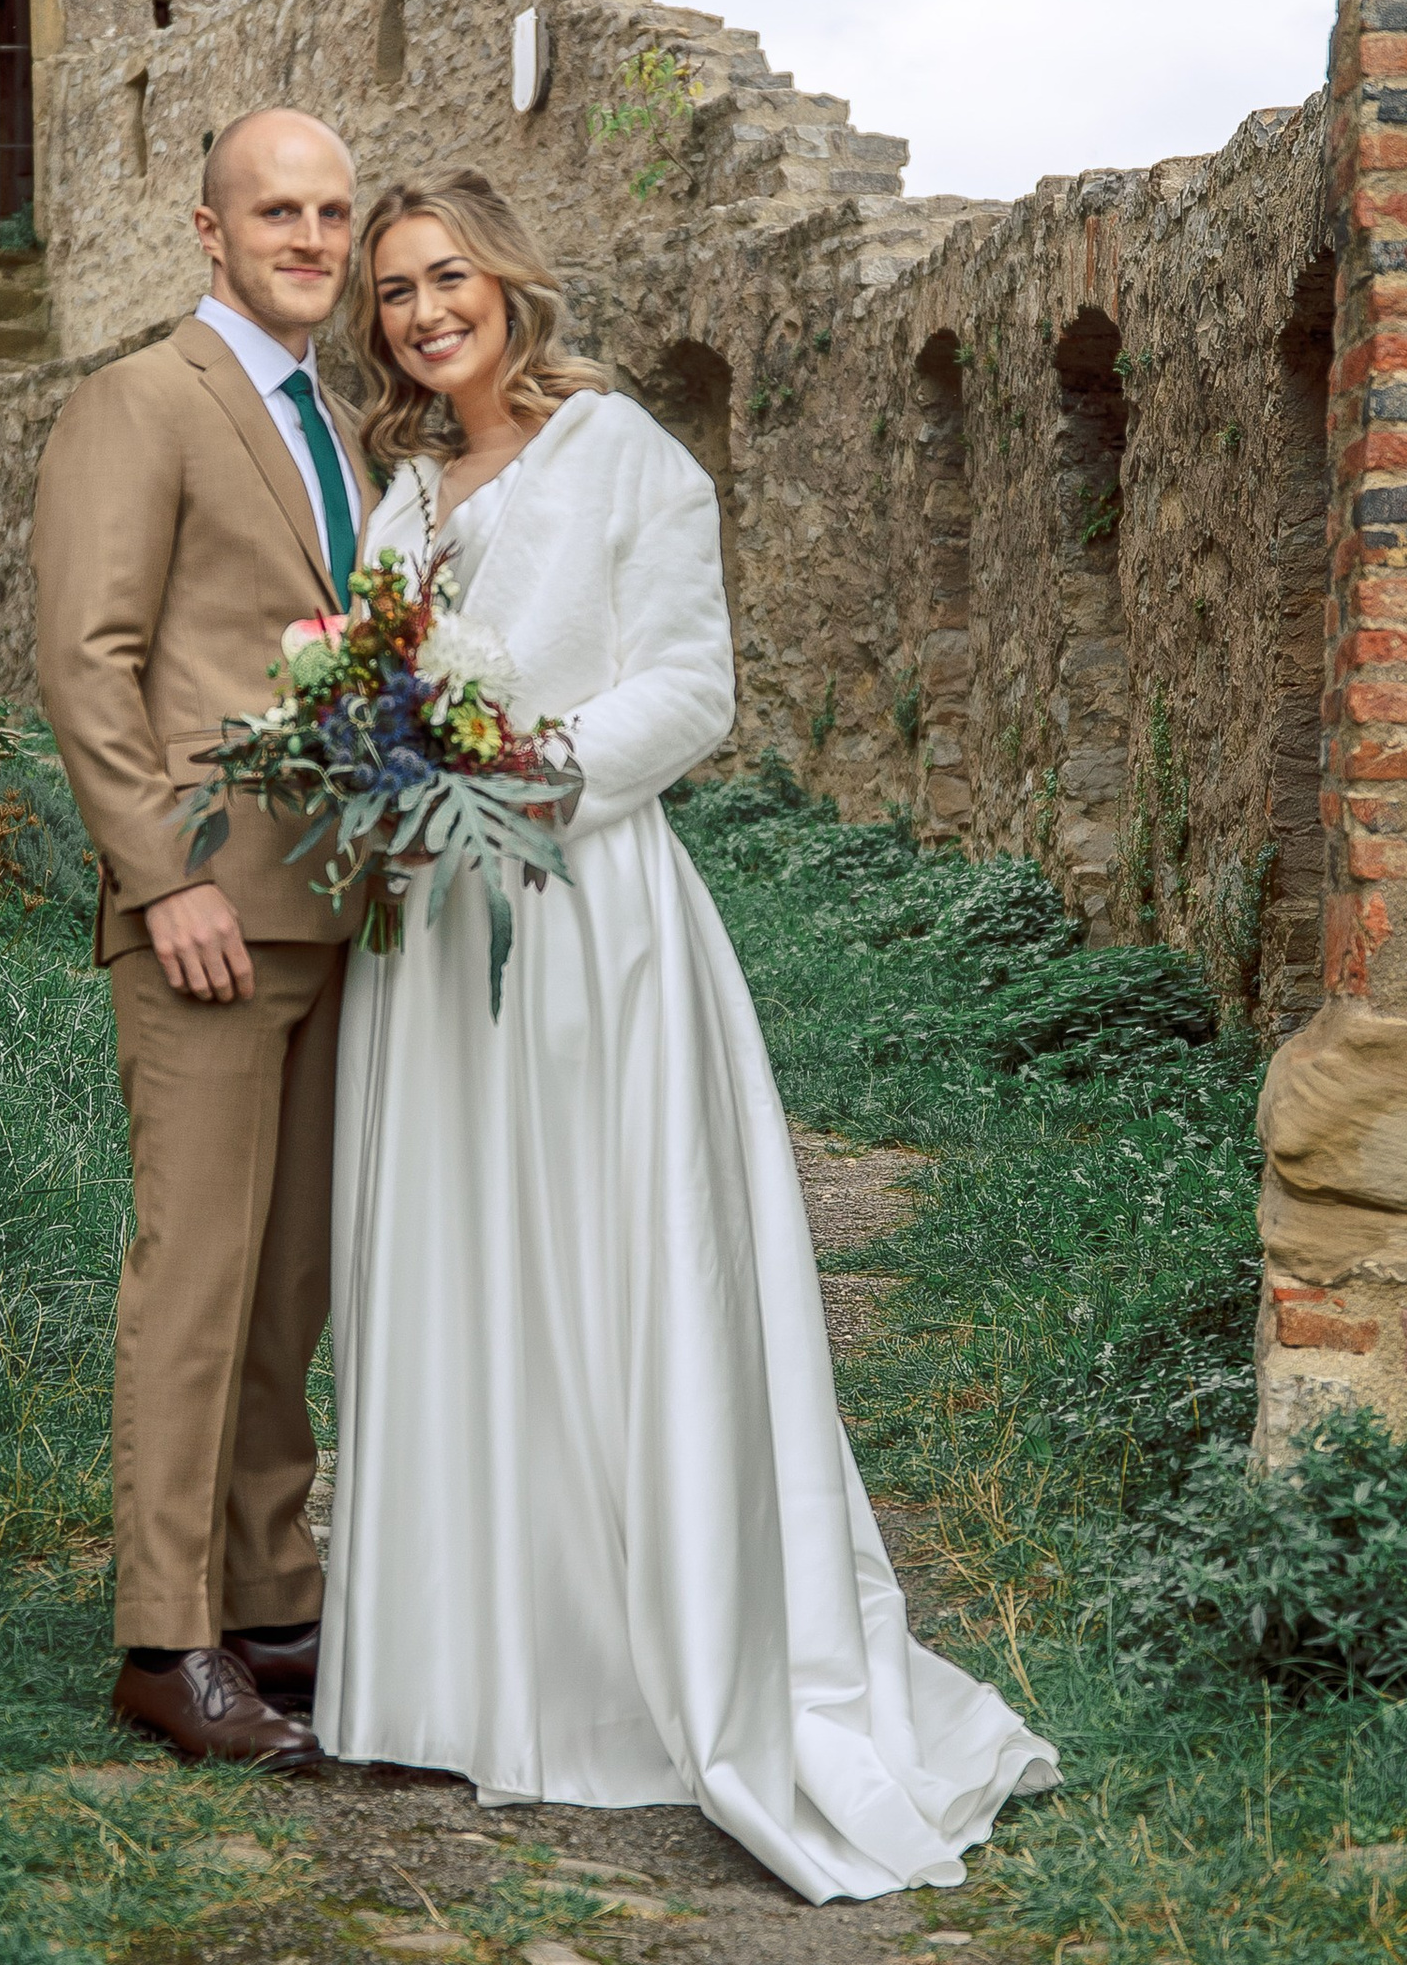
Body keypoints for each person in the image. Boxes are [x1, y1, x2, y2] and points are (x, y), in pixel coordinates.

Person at [315, 170, 1060, 1900]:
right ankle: (468, 1664)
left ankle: (644, 1668)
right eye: (396, 294)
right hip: (431, 935)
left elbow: (692, 685)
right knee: (461, 1268)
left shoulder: (625, 455)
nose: (426, 315)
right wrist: (382, 774)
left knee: (612, 1265)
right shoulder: (406, 489)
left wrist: (525, 774)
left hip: (588, 916)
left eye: (449, 281)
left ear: (509, 283)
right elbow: (373, 676)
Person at [31, 107, 370, 1770]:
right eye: (275, 211)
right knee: (196, 1280)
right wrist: (166, 875)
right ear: (206, 229)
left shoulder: (340, 426)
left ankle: (273, 1599)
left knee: (285, 1287)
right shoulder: (142, 401)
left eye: (329, 212)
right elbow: (89, 658)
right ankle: (166, 1640)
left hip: (339, 916)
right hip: (209, 923)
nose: (307, 237)